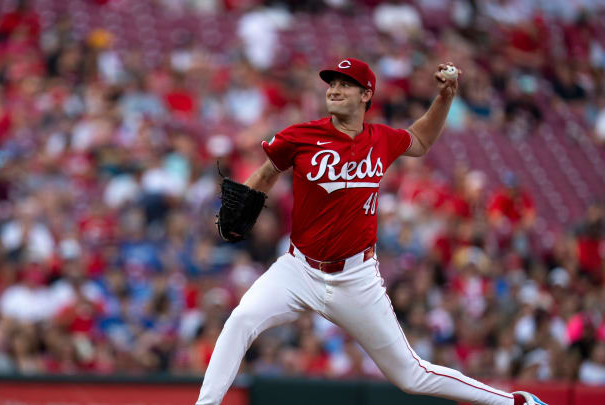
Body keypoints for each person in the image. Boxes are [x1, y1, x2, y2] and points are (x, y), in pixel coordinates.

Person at [197, 58, 548, 405]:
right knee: (241, 319)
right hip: (298, 269)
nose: (334, 89)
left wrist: (444, 98)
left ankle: (515, 403)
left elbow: (421, 141)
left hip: (356, 277)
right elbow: (267, 172)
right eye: (331, 83)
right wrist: (247, 196)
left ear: (366, 94)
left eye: (345, 84)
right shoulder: (301, 136)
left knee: (411, 375)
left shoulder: (381, 139)